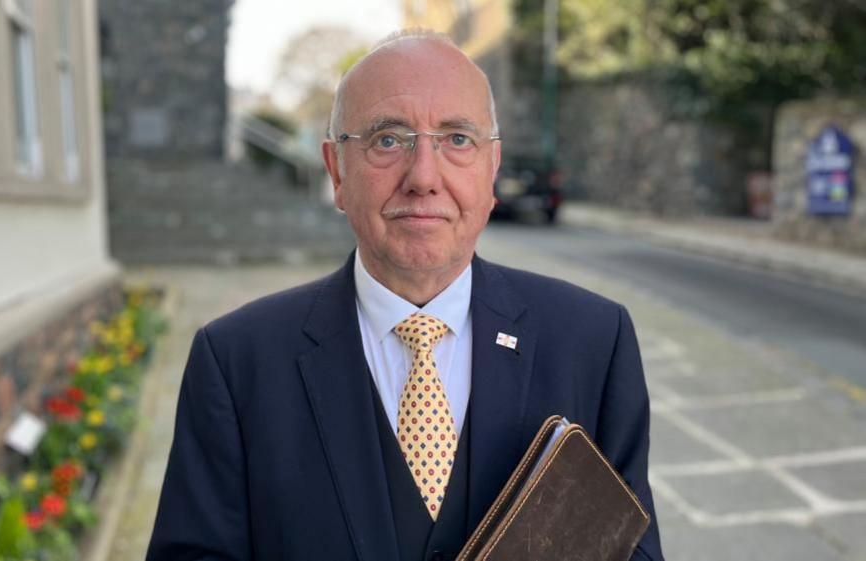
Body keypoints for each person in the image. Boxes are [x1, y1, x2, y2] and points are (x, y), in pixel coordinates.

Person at [146, 29, 664, 561]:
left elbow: (632, 549)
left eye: (457, 139)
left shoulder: (594, 340)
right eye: (388, 140)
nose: (423, 177)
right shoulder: (235, 363)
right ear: (336, 172)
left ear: (492, 170)